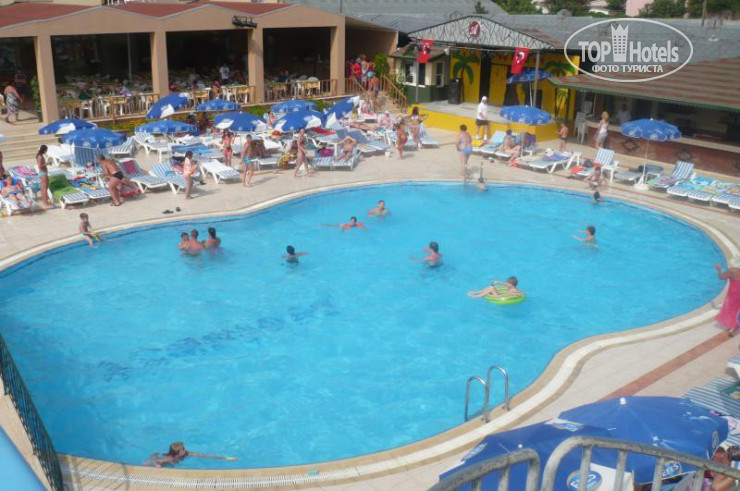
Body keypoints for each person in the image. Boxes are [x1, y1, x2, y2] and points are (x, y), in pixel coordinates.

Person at [144, 442, 236, 468]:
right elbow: (157, 461)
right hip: (156, 460)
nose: (185, 450)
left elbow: (201, 455)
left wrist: (221, 457)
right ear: (178, 453)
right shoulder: (171, 459)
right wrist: (158, 466)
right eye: (183, 449)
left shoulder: (186, 453)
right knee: (146, 465)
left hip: (165, 458)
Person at [715, 257, 740, 335]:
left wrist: (719, 270)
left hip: (734, 291)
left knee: (731, 307)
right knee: (738, 308)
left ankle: (733, 325)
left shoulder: (731, 270)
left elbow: (722, 277)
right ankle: (735, 325)